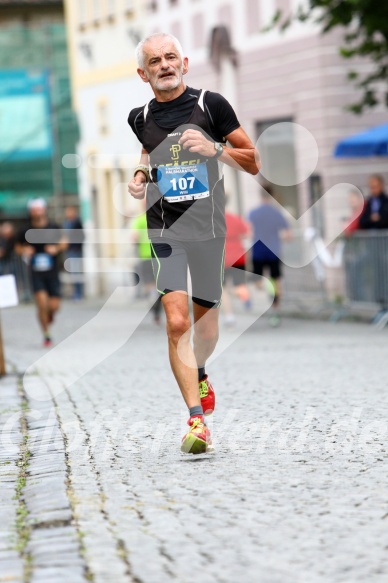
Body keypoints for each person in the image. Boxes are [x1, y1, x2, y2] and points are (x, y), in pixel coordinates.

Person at [127, 33, 259, 454]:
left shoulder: (211, 105)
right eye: (154, 60)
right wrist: (140, 176)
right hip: (165, 230)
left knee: (205, 325)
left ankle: (200, 369)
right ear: (143, 73)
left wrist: (214, 148)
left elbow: (253, 161)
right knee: (177, 322)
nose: (164, 65)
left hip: (209, 231)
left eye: (170, 57)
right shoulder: (139, 116)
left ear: (184, 62)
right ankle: (195, 420)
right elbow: (150, 154)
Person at [15, 199, 67, 347]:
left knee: (54, 306)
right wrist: (24, 250)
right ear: (31, 212)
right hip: (35, 272)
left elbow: (64, 242)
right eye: (34, 210)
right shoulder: (25, 229)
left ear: (44, 210)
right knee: (42, 303)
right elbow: (17, 247)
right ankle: (46, 335)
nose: (37, 212)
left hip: (52, 272)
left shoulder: (53, 227)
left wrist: (56, 249)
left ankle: (48, 315)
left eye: (39, 209)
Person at [248, 186, 292, 327]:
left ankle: (266, 293)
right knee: (276, 280)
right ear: (272, 196)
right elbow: (288, 235)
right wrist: (281, 238)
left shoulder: (253, 213)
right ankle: (275, 310)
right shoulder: (277, 213)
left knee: (257, 281)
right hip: (274, 250)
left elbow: (248, 232)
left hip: (258, 251)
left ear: (260, 196)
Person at [131, 209, 162, 323]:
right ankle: (157, 305)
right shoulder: (160, 218)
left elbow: (134, 237)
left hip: (145, 256)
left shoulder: (139, 220)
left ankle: (152, 298)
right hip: (159, 256)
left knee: (149, 283)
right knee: (160, 283)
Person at [222, 206, 251, 327]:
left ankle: (230, 317)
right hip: (238, 256)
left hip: (221, 259)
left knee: (222, 289)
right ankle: (244, 296)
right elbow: (247, 233)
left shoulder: (211, 220)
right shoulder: (235, 218)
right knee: (240, 284)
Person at [63, 206, 84, 300]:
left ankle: (79, 293)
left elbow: (82, 236)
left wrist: (76, 247)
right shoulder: (66, 223)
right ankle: (75, 292)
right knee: (71, 272)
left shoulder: (77, 222)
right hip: (69, 250)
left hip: (75, 250)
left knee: (76, 272)